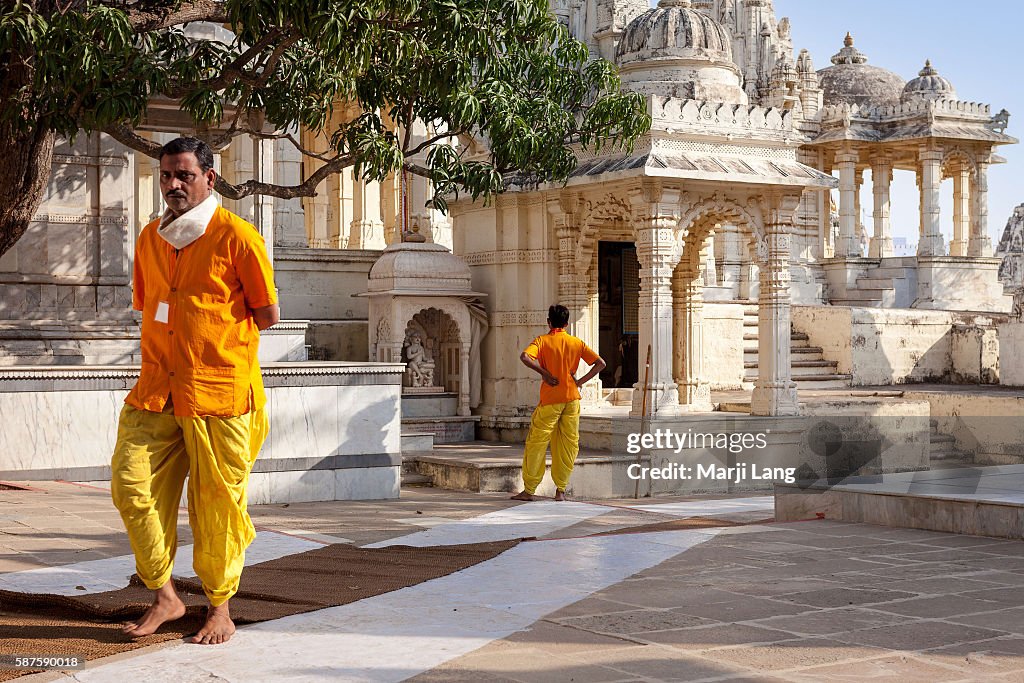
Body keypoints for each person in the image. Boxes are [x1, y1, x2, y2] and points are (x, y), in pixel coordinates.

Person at [110, 137, 280, 645]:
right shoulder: (149, 238)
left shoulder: (238, 236)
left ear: (210, 177)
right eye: (166, 175)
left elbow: (267, 314)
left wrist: (213, 330)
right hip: (157, 389)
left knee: (217, 507)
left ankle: (220, 609)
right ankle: (165, 595)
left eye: (184, 175)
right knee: (129, 483)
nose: (174, 185)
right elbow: (151, 305)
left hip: (220, 394)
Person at [511, 304, 606, 501]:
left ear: (548, 321)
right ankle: (560, 490)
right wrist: (579, 382)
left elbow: (525, 357)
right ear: (567, 323)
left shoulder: (542, 341)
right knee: (568, 444)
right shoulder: (576, 342)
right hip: (572, 398)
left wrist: (545, 373)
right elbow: (600, 364)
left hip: (550, 399)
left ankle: (529, 490)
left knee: (537, 443)